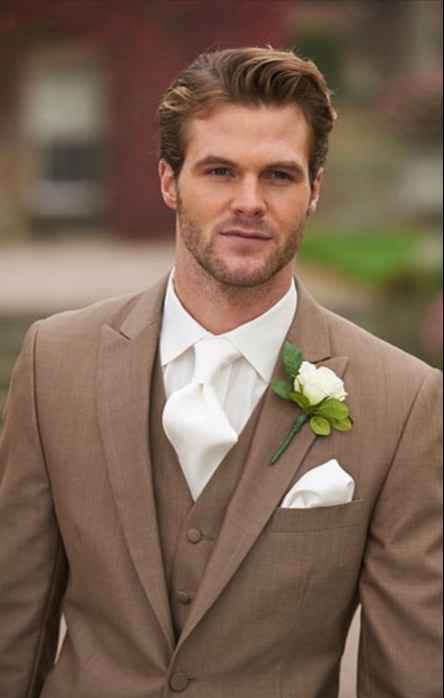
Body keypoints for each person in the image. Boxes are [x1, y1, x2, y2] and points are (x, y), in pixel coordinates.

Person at [0, 47, 442, 698]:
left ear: (314, 190)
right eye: (219, 171)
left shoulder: (405, 401)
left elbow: (411, 674)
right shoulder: (54, 361)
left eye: (279, 176)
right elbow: (14, 624)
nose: (249, 202)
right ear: (169, 181)